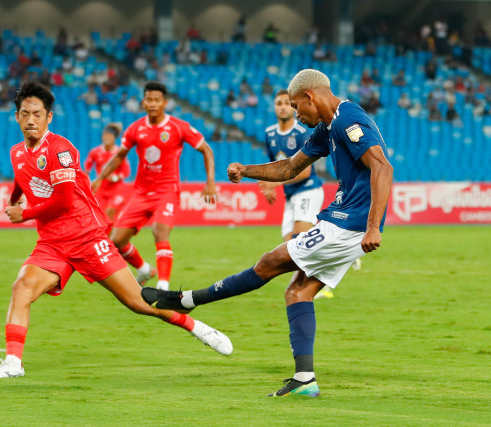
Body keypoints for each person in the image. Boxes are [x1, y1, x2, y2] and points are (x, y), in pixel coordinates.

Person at [141, 69, 393, 397]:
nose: (297, 115)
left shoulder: (348, 119)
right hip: (344, 219)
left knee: (269, 262)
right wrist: (247, 170)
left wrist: (372, 227)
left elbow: (382, 166)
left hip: (350, 222)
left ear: (309, 97)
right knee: (297, 292)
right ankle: (305, 379)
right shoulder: (326, 127)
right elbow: (289, 167)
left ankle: (187, 300)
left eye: (296, 106)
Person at [0, 81, 232, 378]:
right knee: (22, 287)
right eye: (25, 114)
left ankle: (196, 327)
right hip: (52, 243)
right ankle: (13, 363)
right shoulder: (17, 152)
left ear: (49, 117)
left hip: (86, 236)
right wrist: (14, 198)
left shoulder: (60, 149)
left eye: (37, 114)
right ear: (16, 117)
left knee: (138, 303)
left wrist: (24, 213)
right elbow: (22, 177)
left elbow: (63, 200)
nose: (31, 120)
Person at [91, 81, 217, 291]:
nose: (152, 104)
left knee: (160, 232)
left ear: (165, 103)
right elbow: (119, 156)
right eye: (149, 100)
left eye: (157, 100)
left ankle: (163, 287)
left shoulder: (178, 127)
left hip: (167, 191)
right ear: (143, 102)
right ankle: (144, 269)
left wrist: (210, 182)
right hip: (141, 193)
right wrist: (100, 178)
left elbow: (207, 150)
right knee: (116, 243)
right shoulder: (136, 128)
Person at [259, 89, 331, 299]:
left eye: (285, 103)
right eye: (278, 103)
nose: (282, 107)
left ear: (292, 107)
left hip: (308, 189)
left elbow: (305, 171)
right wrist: (268, 185)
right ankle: (330, 251)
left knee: (299, 241)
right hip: (291, 196)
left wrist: (274, 184)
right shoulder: (269, 134)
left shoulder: (301, 133)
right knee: (290, 244)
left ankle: (306, 288)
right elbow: (275, 166)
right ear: (274, 107)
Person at [84, 123, 131, 221]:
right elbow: (87, 168)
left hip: (116, 188)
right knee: (100, 216)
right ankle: (108, 231)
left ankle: (112, 231)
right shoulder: (95, 152)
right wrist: (87, 180)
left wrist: (116, 177)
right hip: (101, 188)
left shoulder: (119, 153)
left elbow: (126, 171)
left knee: (110, 212)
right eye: (105, 135)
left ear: (114, 138)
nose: (107, 138)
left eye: (109, 136)